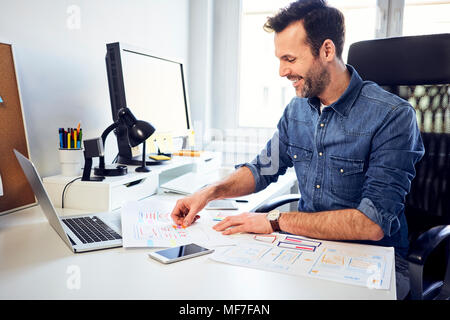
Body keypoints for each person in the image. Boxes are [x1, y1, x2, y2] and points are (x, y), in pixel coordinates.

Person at [171, 0, 424, 299]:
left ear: (326, 51)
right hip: (306, 251)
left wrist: (275, 222)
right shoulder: (297, 111)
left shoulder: (392, 115)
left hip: (374, 262)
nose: (281, 71)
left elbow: (371, 224)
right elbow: (262, 169)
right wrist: (209, 192)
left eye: (289, 58)